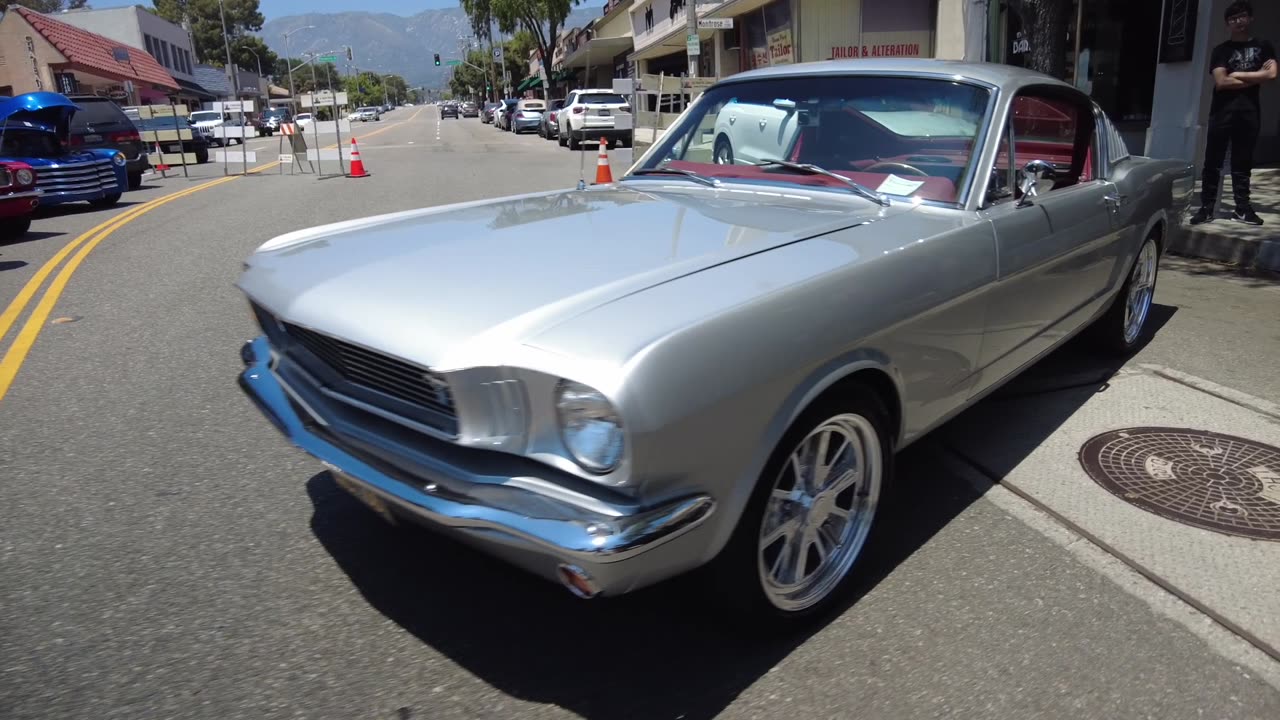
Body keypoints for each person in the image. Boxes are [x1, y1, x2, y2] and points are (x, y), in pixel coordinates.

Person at [1191, 1, 1276, 227]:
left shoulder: (1263, 46)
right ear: (1227, 23)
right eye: (1233, 18)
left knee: (1243, 162)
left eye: (1242, 16)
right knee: (1213, 161)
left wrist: (1237, 74)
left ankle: (1242, 209)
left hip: (1249, 113)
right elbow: (1221, 82)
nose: (1238, 21)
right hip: (1221, 112)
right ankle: (1207, 208)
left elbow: (1272, 75)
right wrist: (1256, 75)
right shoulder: (1221, 50)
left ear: (1250, 18)